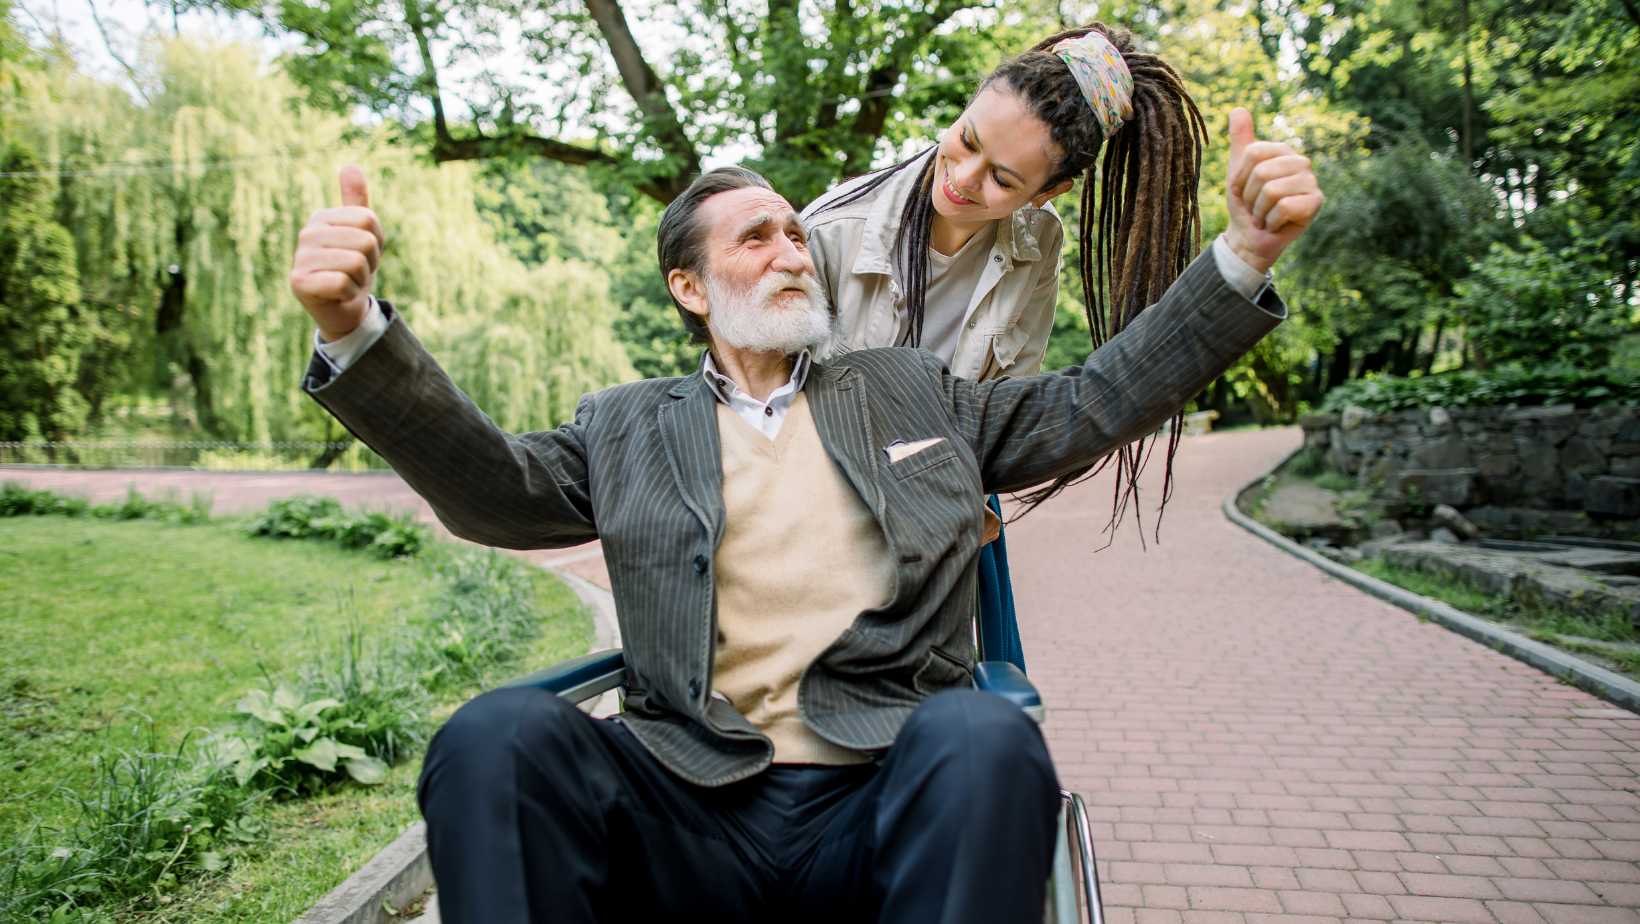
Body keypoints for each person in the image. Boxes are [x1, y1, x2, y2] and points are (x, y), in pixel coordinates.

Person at [286, 100, 1316, 920]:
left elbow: (1092, 399)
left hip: (877, 796)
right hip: (683, 805)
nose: (791, 248)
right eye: (754, 237)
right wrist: (354, 330)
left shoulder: (911, 392)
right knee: (496, 734)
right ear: (690, 289)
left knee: (982, 738)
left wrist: (1242, 257)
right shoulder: (627, 425)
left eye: (793, 229)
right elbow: (492, 493)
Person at [803, 22, 1322, 661]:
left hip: (935, 539)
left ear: (1047, 193)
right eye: (965, 140)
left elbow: (1015, 412)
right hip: (814, 535)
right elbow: (759, 425)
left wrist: (1245, 255)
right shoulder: (826, 236)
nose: (962, 178)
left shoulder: (1037, 245)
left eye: (1002, 178)